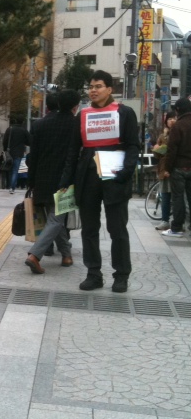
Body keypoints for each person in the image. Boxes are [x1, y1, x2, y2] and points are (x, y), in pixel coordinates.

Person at [59, 70, 139, 293]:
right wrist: (66, 180)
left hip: (115, 176)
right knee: (89, 229)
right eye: (91, 87)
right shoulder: (82, 115)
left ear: (109, 89)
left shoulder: (124, 112)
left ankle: (121, 275)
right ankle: (93, 273)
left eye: (98, 86)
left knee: (117, 229)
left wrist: (126, 172)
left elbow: (133, 145)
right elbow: (73, 150)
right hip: (87, 177)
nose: (93, 90)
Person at [24, 89, 79, 274]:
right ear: (75, 106)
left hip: (42, 179)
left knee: (55, 218)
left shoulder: (40, 124)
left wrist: (31, 181)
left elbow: (33, 156)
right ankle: (35, 255)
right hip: (64, 181)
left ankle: (66, 255)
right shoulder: (76, 125)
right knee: (56, 219)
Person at [161, 98, 191, 237]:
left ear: (178, 110)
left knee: (178, 198)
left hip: (179, 167)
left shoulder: (178, 126)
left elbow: (172, 150)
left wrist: (167, 168)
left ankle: (177, 227)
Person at [153, 111, 177, 231]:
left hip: (175, 168)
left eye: (174, 118)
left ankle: (178, 222)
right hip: (163, 169)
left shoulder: (178, 132)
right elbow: (157, 155)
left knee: (178, 197)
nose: (171, 121)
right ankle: (165, 220)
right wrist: (157, 149)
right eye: (169, 119)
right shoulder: (162, 135)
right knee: (165, 195)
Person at [3, 119, 31, 194]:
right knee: (15, 170)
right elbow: (30, 141)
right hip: (18, 153)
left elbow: (5, 141)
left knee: (9, 169)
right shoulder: (24, 130)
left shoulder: (9, 129)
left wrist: (5, 150)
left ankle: (9, 185)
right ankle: (12, 187)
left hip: (9, 152)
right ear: (22, 122)